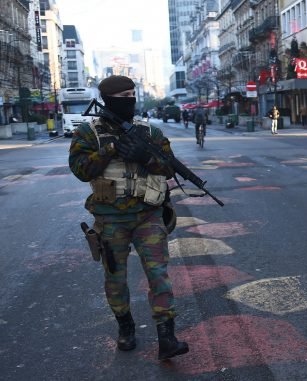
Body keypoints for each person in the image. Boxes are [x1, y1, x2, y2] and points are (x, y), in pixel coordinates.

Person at [68, 75, 189, 360]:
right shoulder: (89, 133)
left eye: (132, 95)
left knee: (159, 276)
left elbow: (169, 167)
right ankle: (126, 326)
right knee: (115, 278)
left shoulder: (148, 132)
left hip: (147, 215)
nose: (130, 101)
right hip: (110, 220)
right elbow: (80, 169)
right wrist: (110, 151)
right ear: (108, 101)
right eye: (124, 97)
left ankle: (167, 336)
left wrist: (145, 157)